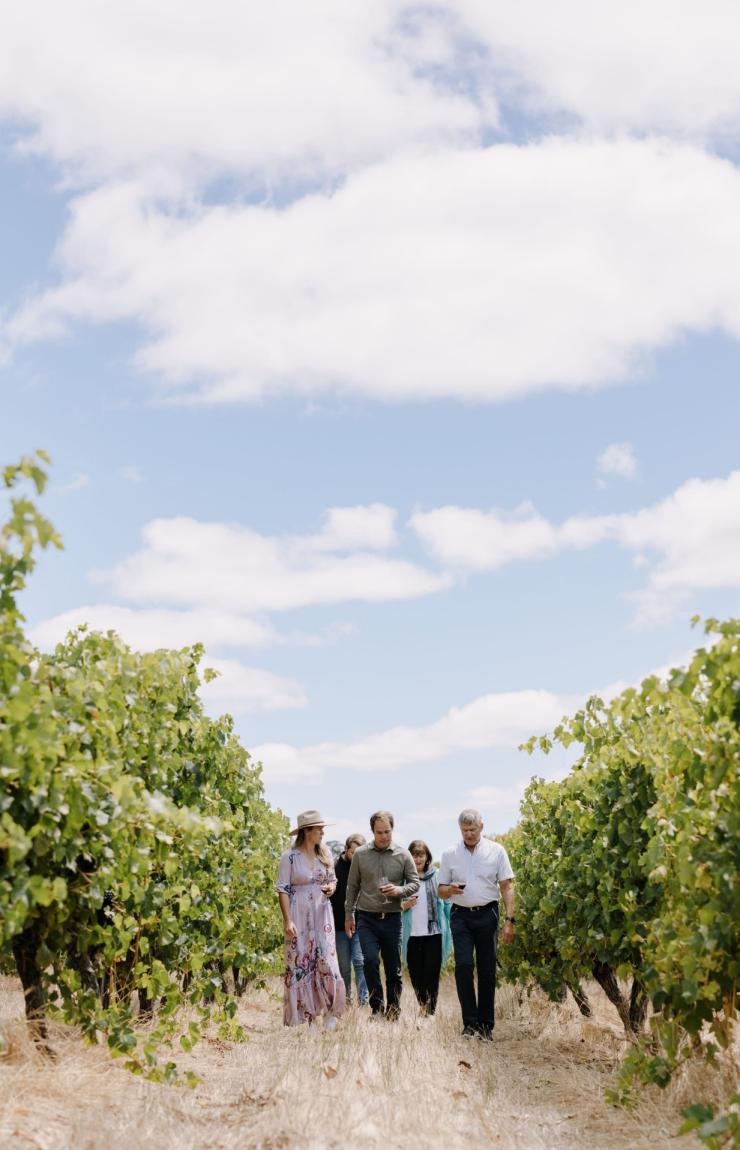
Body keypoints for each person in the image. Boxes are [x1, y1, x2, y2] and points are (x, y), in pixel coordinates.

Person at [438, 809, 515, 1040]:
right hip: (460, 915)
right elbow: (440, 890)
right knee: (463, 966)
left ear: (482, 826)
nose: (469, 834)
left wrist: (510, 921)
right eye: (465, 830)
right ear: (459, 829)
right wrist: (449, 890)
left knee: (487, 970)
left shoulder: (496, 851)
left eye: (473, 830)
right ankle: (469, 1024)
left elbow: (507, 886)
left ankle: (486, 1026)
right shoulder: (449, 854)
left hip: (487, 914)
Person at [344, 810, 419, 1020]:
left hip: (393, 918)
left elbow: (414, 883)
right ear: (372, 832)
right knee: (369, 961)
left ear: (392, 830)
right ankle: (376, 1009)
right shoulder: (360, 855)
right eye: (379, 832)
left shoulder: (403, 855)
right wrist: (349, 915)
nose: (384, 836)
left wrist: (399, 891)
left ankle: (393, 1010)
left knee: (394, 968)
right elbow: (352, 887)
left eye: (387, 831)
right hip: (366, 917)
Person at [275, 810, 346, 1028]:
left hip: (322, 915)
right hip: (299, 915)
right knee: (301, 963)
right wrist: (288, 920)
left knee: (328, 962)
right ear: (307, 832)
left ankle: (332, 1014)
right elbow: (283, 890)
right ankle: (306, 1018)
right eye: (319, 829)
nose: (322, 832)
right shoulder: (290, 857)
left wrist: (331, 888)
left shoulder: (325, 855)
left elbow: (333, 881)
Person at [401, 839, 452, 1015]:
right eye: (414, 855)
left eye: (421, 855)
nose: (417, 859)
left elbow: (447, 905)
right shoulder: (404, 880)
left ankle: (429, 1011)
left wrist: (449, 927)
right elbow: (395, 906)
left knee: (431, 974)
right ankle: (422, 1004)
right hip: (412, 935)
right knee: (416, 975)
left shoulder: (437, 876)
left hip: (434, 934)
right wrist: (405, 905)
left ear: (427, 856)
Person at [330, 833, 369, 1006]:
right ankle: (346, 1001)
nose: (357, 857)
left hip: (360, 924)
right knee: (344, 966)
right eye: (354, 853)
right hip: (339, 925)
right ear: (346, 850)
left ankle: (364, 1001)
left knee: (360, 962)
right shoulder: (335, 867)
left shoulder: (364, 868)